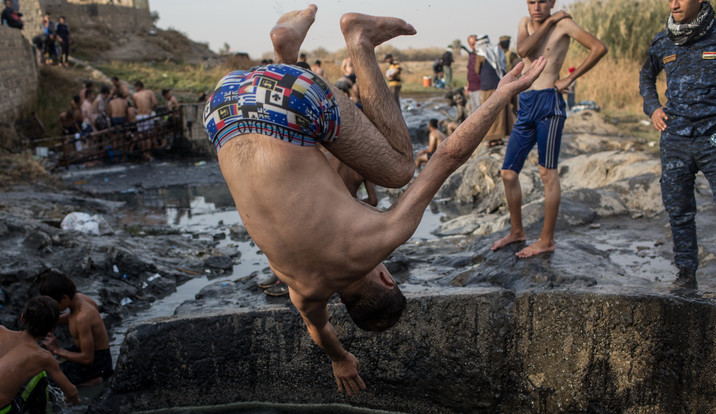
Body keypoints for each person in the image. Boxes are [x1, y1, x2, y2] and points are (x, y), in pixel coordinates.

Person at [203, 4, 546, 394]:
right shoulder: (302, 289)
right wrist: (340, 359)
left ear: (385, 277)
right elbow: (318, 329)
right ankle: (286, 55)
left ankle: (359, 41)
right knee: (327, 168)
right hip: (222, 108)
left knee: (400, 169)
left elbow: (448, 155)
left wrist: (502, 94)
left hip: (287, 104)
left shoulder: (380, 237)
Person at [638, 0, 716, 293]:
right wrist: (652, 108)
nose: (674, 3)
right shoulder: (663, 40)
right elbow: (646, 75)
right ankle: (686, 276)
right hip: (675, 139)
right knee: (679, 211)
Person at [491, 0, 607, 258]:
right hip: (526, 102)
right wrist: (551, 21)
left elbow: (599, 48)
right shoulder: (527, 23)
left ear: (552, 2)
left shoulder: (565, 24)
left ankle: (546, 240)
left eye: (543, 2)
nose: (536, 7)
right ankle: (517, 231)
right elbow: (523, 50)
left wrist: (569, 78)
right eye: (531, 2)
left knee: (547, 173)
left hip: (549, 104)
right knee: (508, 173)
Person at [0, 296, 80, 413]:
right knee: (40, 375)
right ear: (52, 329)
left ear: (22, 318)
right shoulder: (43, 357)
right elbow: (71, 391)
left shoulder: (1, 331)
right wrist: (74, 401)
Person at [39, 270, 114, 386]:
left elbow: (88, 359)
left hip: (96, 364)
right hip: (95, 355)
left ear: (64, 298)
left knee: (50, 381)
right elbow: (72, 317)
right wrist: (53, 321)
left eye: (54, 304)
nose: (53, 308)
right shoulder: (80, 299)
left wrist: (56, 350)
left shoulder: (82, 318)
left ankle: (93, 380)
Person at [475, 34, 511, 146]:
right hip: (500, 85)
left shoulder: (481, 54)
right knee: (499, 112)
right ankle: (499, 138)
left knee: (488, 112)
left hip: (487, 87)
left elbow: (477, 70)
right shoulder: (497, 50)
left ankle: (491, 139)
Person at [133, 80, 158, 158]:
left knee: (142, 135)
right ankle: (148, 153)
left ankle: (144, 153)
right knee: (148, 135)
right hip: (148, 115)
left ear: (138, 87)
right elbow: (155, 103)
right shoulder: (149, 92)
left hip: (139, 116)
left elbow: (135, 106)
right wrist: (151, 109)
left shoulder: (135, 95)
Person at [464, 34, 483, 114]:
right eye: (472, 44)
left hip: (480, 87)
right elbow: (470, 70)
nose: (474, 46)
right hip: (472, 87)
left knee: (480, 111)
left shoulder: (481, 55)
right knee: (473, 112)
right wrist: (468, 85)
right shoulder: (471, 55)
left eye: (475, 43)